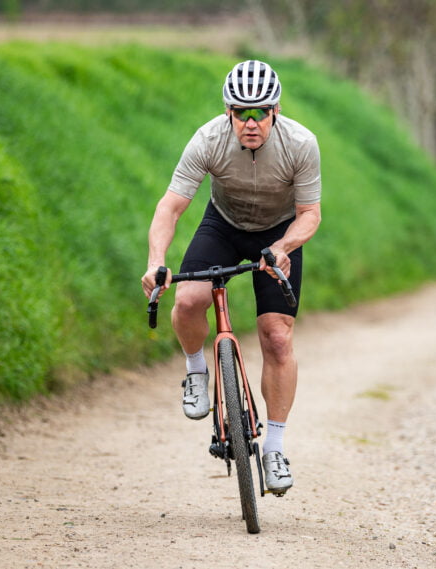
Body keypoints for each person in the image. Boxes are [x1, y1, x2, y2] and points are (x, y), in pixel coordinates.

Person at [140, 59, 322, 496]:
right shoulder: (208, 140)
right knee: (186, 301)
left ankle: (274, 448)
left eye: (261, 111)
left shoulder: (301, 143)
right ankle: (196, 370)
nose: (252, 121)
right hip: (222, 225)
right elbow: (171, 206)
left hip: (277, 235)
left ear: (275, 110)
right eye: (243, 112)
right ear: (229, 112)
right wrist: (155, 261)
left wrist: (283, 248)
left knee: (276, 337)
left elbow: (310, 214)